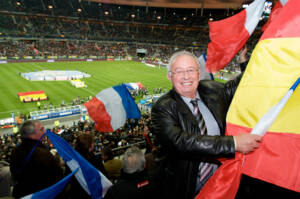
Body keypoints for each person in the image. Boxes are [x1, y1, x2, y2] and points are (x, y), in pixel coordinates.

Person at [151, 50, 262, 199]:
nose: (186, 76)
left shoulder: (210, 89)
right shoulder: (163, 107)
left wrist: (244, 62)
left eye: (191, 70)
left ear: (198, 73)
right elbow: (181, 141)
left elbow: (239, 86)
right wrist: (233, 143)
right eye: (179, 72)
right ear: (169, 76)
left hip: (221, 182)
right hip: (185, 187)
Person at [9, 120, 64, 198]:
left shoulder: (15, 151)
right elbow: (57, 177)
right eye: (41, 129)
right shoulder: (42, 154)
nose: (45, 131)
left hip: (22, 194)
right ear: (32, 135)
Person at [68, 133, 107, 199]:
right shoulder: (95, 161)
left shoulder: (71, 161)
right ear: (90, 146)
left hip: (76, 194)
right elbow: (103, 177)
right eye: (93, 142)